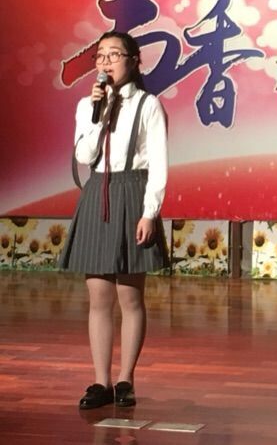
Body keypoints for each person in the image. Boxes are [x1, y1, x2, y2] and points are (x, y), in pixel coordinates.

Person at [59, 31, 169, 410]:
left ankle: (126, 379)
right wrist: (98, 112)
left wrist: (149, 212)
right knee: (99, 297)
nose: (105, 62)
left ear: (134, 61)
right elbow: (85, 155)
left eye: (114, 55)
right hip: (98, 192)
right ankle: (100, 381)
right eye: (100, 56)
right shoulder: (87, 104)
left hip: (133, 193)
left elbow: (158, 163)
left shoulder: (148, 105)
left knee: (130, 296)